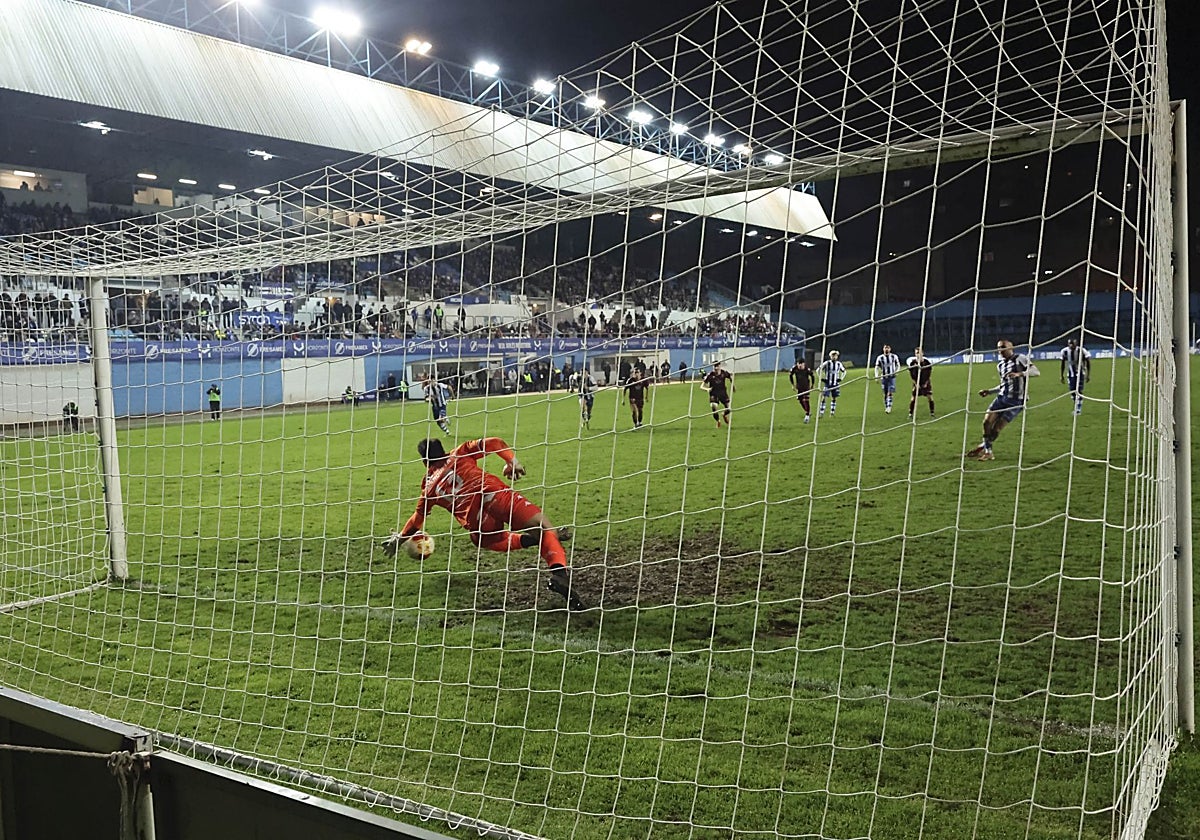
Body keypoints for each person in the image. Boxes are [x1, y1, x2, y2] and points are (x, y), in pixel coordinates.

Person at [383, 437, 583, 610]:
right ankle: (559, 574)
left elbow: (417, 519)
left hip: (478, 523)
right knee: (545, 529)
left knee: (485, 540)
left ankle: (532, 541)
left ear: (424, 462)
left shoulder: (428, 487)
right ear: (443, 450)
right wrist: (512, 462)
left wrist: (399, 539)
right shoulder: (459, 453)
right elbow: (495, 442)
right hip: (494, 495)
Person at [967, 340, 1033, 461]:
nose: (1000, 350)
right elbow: (1004, 385)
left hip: (1017, 401)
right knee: (986, 422)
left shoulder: (1020, 358)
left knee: (996, 429)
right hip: (1001, 398)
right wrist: (989, 391)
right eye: (998, 348)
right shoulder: (1000, 365)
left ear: (1011, 347)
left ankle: (983, 446)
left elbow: (1036, 372)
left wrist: (1020, 374)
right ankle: (988, 452)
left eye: (1003, 347)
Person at [1060, 338, 1091, 414]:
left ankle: (1078, 408)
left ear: (1076, 344)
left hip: (1080, 373)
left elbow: (1088, 361)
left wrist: (1088, 374)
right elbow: (1062, 363)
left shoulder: (1082, 350)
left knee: (1079, 390)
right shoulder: (1064, 351)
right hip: (1070, 374)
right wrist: (1061, 375)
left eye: (1072, 344)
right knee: (1072, 391)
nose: (1071, 346)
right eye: (1070, 344)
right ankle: (1076, 406)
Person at [701, 360, 734, 428]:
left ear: (719, 366)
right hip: (714, 394)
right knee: (714, 407)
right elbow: (701, 386)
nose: (716, 368)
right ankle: (718, 421)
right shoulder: (710, 375)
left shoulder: (724, 373)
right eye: (714, 366)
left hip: (723, 393)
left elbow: (730, 377)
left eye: (717, 366)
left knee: (728, 409)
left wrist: (733, 386)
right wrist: (707, 389)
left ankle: (724, 414)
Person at [906, 347, 935, 420]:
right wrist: (916, 384)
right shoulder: (913, 363)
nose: (918, 354)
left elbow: (929, 373)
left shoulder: (927, 362)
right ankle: (910, 414)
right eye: (916, 353)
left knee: (930, 397)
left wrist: (926, 383)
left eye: (919, 353)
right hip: (916, 383)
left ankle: (932, 413)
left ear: (922, 353)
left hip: (925, 382)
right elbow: (911, 375)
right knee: (913, 398)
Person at [874, 344, 902, 414]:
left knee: (890, 392)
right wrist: (876, 376)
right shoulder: (880, 358)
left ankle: (889, 407)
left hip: (892, 377)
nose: (886, 349)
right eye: (885, 348)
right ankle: (887, 406)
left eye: (888, 348)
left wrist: (897, 372)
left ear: (890, 349)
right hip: (884, 378)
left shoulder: (894, 356)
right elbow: (876, 367)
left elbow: (898, 365)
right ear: (883, 349)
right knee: (885, 394)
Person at [816, 350, 845, 417]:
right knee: (824, 397)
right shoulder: (827, 363)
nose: (834, 357)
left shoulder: (839, 364)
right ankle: (821, 412)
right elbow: (818, 370)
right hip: (828, 383)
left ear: (837, 356)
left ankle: (832, 412)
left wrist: (841, 378)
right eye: (833, 356)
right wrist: (821, 378)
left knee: (834, 398)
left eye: (835, 356)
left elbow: (844, 371)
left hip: (835, 384)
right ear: (830, 356)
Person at [787, 358, 815, 423]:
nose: (799, 365)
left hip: (806, 386)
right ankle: (808, 411)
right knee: (800, 400)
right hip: (799, 387)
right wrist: (793, 385)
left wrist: (812, 384)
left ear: (803, 364)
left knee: (806, 400)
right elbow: (790, 375)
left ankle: (807, 415)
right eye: (798, 364)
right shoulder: (794, 368)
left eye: (801, 364)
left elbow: (812, 376)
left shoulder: (807, 369)